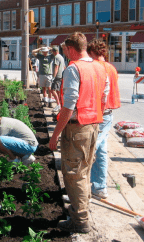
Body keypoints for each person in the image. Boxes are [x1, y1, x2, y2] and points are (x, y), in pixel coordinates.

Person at [49, 32, 108, 233]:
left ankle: (80, 221)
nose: (64, 53)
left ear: (70, 48)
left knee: (75, 175)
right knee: (84, 171)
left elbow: (68, 105)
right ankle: (82, 211)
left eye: (65, 50)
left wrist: (56, 134)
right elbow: (104, 98)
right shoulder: (99, 68)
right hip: (93, 126)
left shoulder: (73, 69)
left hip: (77, 128)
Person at [87, 39, 121, 199]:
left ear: (92, 52)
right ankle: (99, 186)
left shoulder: (96, 67)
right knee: (101, 149)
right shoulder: (111, 68)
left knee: (93, 148)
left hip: (99, 113)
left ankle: (88, 187)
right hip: (108, 113)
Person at [51, 46, 65, 112]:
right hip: (61, 76)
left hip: (57, 77)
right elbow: (64, 67)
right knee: (58, 91)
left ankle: (58, 104)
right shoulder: (61, 57)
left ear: (54, 51)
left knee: (53, 90)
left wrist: (53, 77)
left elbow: (56, 67)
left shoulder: (56, 57)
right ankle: (60, 104)